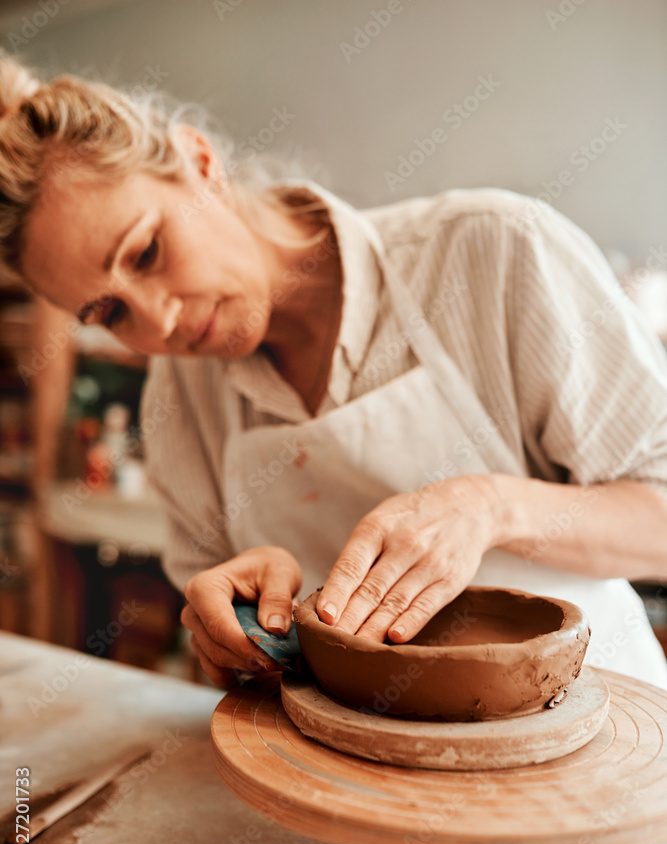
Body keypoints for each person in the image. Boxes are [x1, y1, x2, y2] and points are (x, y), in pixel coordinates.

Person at [2, 57, 667, 690]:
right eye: (111, 312)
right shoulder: (179, 400)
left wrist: (493, 507)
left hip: (591, 750)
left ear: (200, 164)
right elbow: (225, 649)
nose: (160, 322)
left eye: (147, 251)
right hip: (351, 773)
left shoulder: (492, 252)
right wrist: (233, 628)